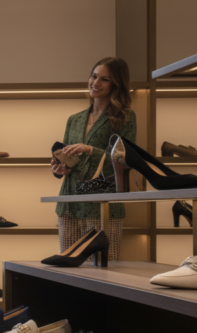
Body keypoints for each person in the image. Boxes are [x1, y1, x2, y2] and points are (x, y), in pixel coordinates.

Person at [51, 57, 135, 262]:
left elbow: (126, 160)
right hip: (69, 202)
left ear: (116, 84)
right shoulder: (74, 119)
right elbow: (69, 158)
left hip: (102, 204)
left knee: (103, 270)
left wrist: (90, 150)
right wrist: (60, 168)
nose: (95, 83)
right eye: (94, 76)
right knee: (67, 270)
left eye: (104, 79)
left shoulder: (125, 117)